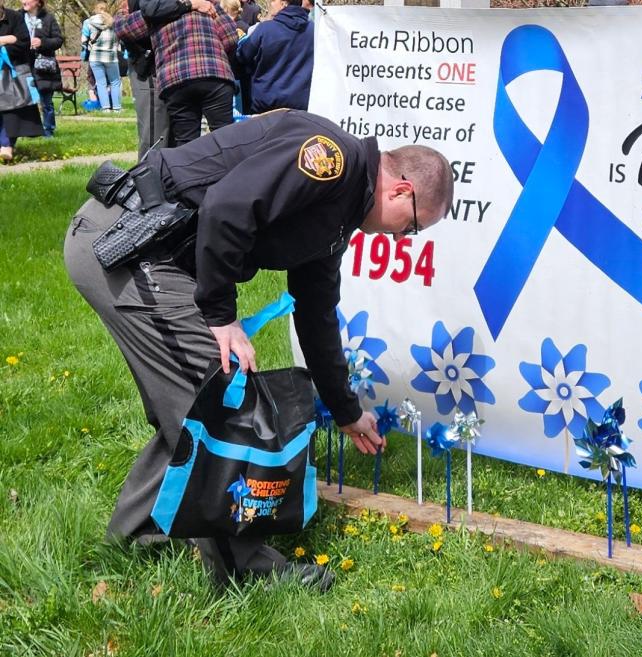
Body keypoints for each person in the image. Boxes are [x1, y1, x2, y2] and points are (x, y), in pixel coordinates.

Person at [63, 109, 454, 588]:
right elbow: (228, 205)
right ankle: (247, 568)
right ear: (401, 191)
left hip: (146, 250)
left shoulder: (338, 215)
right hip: (126, 246)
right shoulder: (332, 160)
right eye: (411, 227)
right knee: (220, 399)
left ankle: (138, 538)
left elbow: (316, 316)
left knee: (193, 404)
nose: (403, 239)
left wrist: (346, 409)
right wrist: (219, 315)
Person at [115, 0, 238, 146]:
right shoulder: (207, 4)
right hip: (215, 74)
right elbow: (231, 37)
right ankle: (233, 167)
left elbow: (124, 29)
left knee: (187, 144)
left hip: (176, 78)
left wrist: (122, 14)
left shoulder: (157, 11)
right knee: (226, 139)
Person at [235, 0, 311, 113]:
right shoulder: (314, 30)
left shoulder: (265, 29)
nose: (270, 4)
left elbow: (243, 56)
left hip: (267, 106)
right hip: (302, 106)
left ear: (283, 3)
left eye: (273, 0)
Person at [0, 0, 42, 160]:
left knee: (11, 112)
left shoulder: (14, 17)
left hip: (12, 72)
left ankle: (6, 145)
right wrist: (8, 38)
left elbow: (23, 43)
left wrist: (3, 43)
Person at [19, 0, 62, 137]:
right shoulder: (17, 17)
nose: (23, 1)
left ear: (38, 2)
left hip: (42, 65)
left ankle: (48, 130)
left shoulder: (48, 18)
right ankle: (29, 131)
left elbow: (58, 40)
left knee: (46, 101)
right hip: (23, 64)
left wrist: (42, 42)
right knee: (24, 100)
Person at [82, 2, 122, 112]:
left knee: (100, 83)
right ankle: (117, 108)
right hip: (111, 57)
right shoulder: (114, 22)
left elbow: (83, 41)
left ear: (96, 9)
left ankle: (105, 108)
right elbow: (119, 39)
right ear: (107, 9)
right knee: (115, 82)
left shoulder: (88, 22)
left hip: (95, 57)